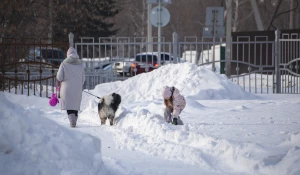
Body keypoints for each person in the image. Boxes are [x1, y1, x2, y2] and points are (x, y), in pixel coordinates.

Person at [56, 47, 85, 128]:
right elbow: (83, 79)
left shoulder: (64, 64)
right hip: (77, 89)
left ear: (68, 55)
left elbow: (59, 77)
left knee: (69, 104)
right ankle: (74, 118)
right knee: (75, 104)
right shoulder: (80, 65)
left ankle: (72, 120)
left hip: (66, 89)